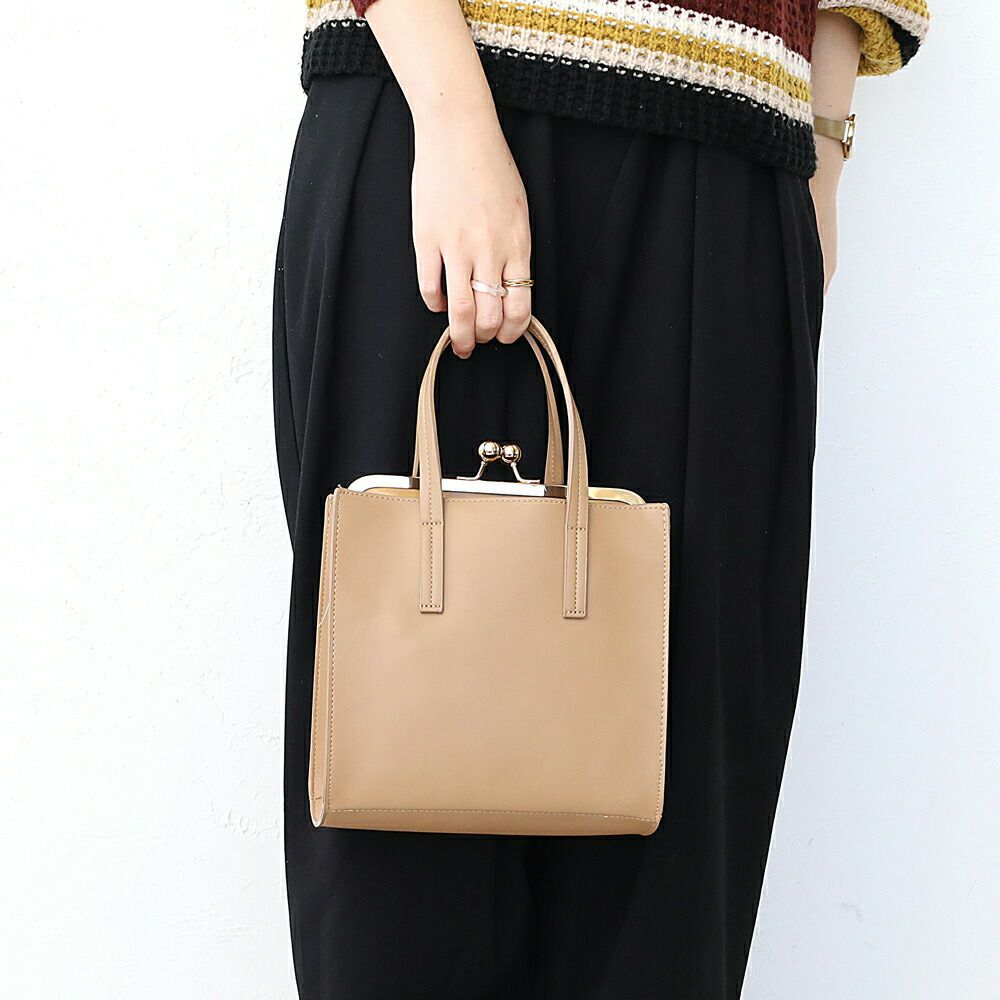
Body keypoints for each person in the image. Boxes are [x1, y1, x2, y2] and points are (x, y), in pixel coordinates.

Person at [272, 1, 929, 996]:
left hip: (734, 156)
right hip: (436, 105)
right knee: (399, 813)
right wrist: (452, 121)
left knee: (676, 838)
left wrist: (823, 155)